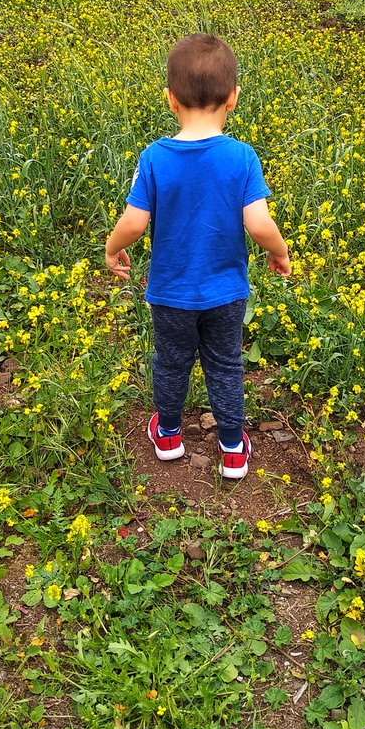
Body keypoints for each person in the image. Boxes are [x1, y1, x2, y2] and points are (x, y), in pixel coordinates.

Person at [104, 33, 290, 480]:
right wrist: (279, 252)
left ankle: (167, 435)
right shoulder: (242, 157)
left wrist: (113, 249)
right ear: (233, 98)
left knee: (171, 361)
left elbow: (133, 223)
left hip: (170, 292)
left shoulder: (154, 157)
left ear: (170, 99)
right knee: (225, 364)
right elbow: (259, 224)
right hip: (226, 292)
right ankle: (232, 450)